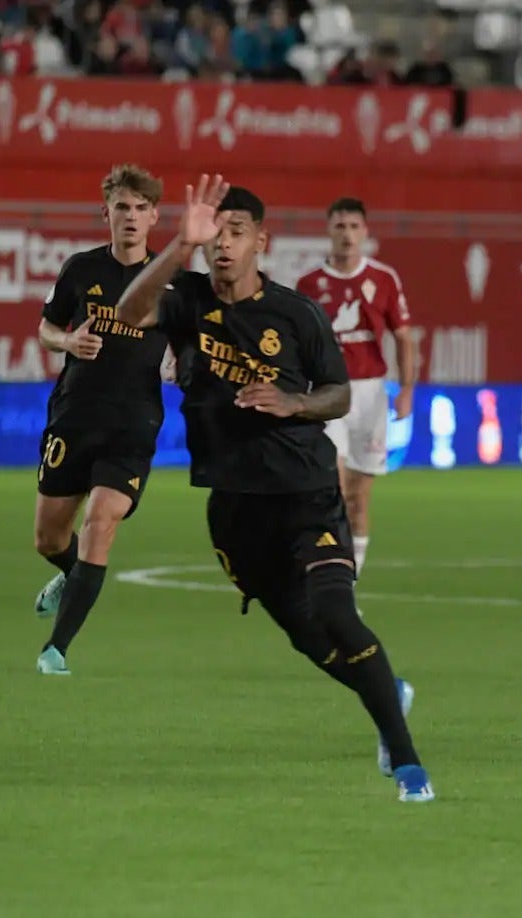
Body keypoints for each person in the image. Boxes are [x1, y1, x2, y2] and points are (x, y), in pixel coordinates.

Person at [115, 175, 434, 803]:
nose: (223, 245)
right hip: (234, 508)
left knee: (338, 615)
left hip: (307, 493)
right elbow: (128, 312)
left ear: (262, 241)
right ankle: (386, 690)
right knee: (307, 638)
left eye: (237, 233)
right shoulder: (187, 297)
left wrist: (293, 402)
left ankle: (407, 765)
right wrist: (178, 245)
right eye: (216, 235)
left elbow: (338, 393)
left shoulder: (296, 313)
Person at [33, 164, 169, 676]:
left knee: (100, 521)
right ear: (105, 214)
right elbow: (46, 328)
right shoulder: (80, 269)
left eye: (140, 208)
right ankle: (73, 575)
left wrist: (181, 360)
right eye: (121, 207)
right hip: (74, 417)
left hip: (133, 427)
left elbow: (189, 340)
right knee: (49, 538)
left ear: (154, 216)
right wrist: (68, 341)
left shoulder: (168, 282)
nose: (130, 217)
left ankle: (56, 649)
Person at [295, 198, 417, 579]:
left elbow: (404, 336)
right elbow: (297, 342)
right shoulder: (309, 284)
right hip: (329, 393)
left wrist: (407, 389)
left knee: (358, 497)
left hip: (371, 395)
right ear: (328, 231)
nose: (346, 234)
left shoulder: (383, 279)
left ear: (365, 232)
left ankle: (348, 581)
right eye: (339, 226)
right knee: (333, 485)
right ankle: (325, 571)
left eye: (353, 227)